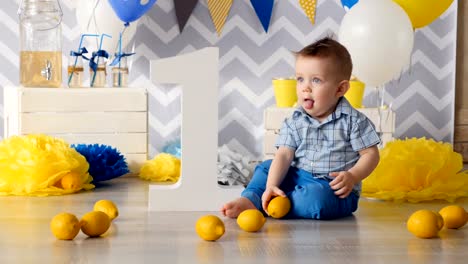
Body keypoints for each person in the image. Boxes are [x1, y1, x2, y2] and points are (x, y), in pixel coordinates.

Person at [221, 37, 381, 219]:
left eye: (316, 81)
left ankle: (274, 203)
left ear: (340, 89)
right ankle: (255, 198)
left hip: (333, 187)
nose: (305, 87)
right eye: (300, 79)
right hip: (298, 176)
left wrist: (352, 176)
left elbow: (371, 155)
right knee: (266, 168)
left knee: (316, 199)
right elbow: (284, 154)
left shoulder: (354, 121)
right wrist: (272, 184)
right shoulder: (295, 121)